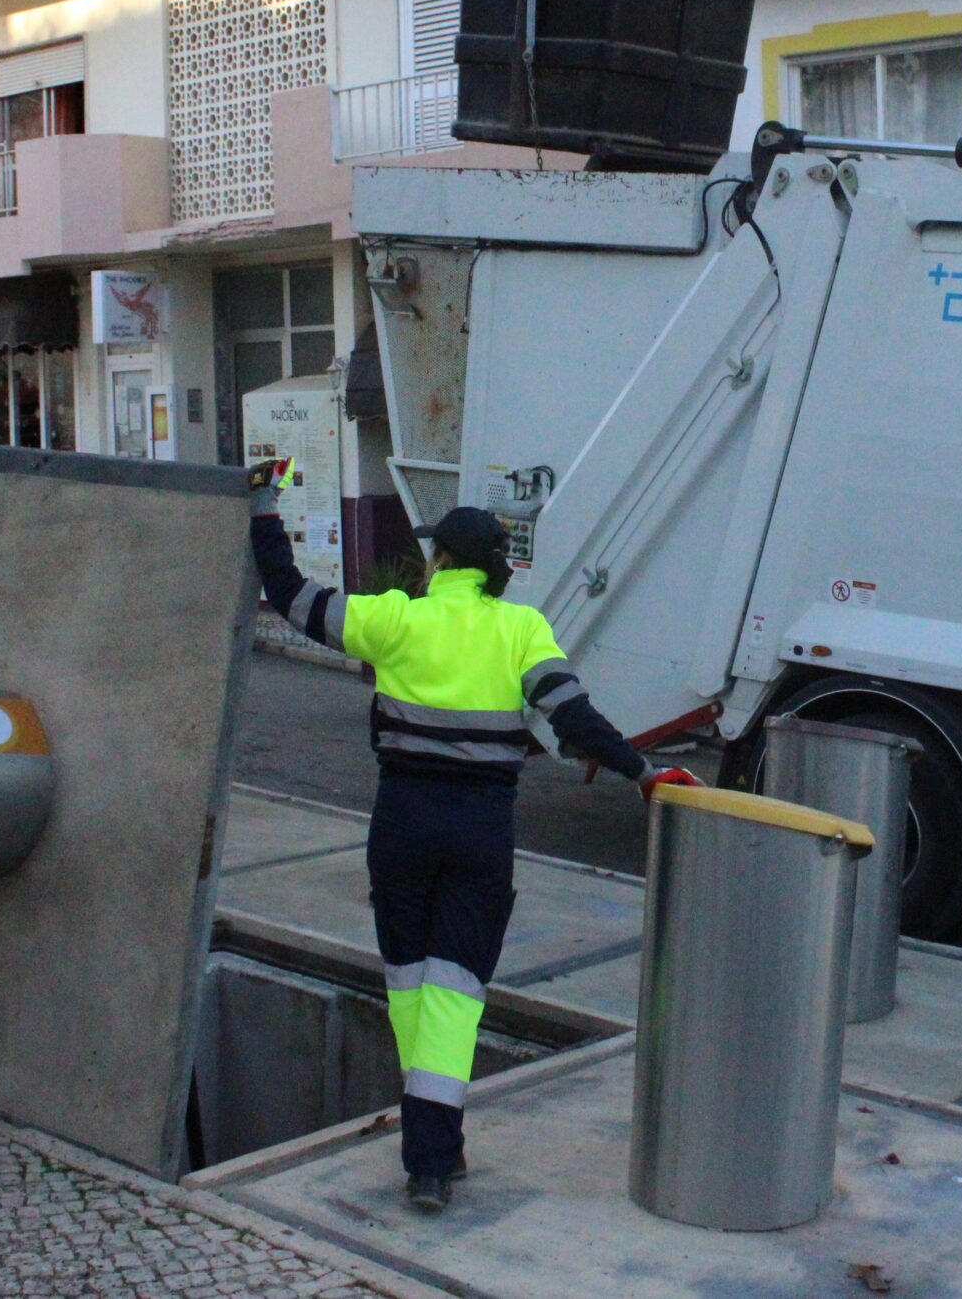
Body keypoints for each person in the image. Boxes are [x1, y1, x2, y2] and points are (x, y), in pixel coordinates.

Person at [247, 462, 698, 1213]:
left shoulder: (398, 618)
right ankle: (433, 1152)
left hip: (403, 824)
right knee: (455, 997)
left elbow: (291, 596)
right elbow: (573, 716)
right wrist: (641, 770)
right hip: (481, 831)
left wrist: (263, 505)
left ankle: (433, 1153)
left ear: (444, 562)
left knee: (410, 988)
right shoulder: (522, 629)